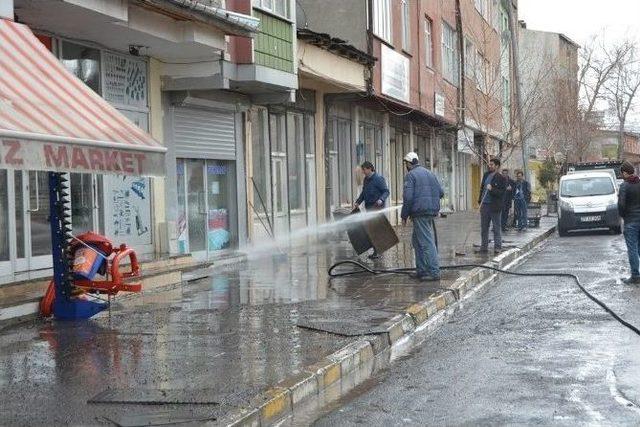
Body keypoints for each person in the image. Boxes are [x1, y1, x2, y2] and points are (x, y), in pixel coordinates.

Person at [400, 152, 444, 281]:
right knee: (417, 241)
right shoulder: (430, 173)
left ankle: (434, 272)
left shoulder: (410, 175)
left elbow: (408, 197)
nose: (406, 166)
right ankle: (422, 270)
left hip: (419, 212)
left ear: (409, 163)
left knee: (426, 242)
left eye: (406, 164)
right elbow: (441, 192)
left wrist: (404, 215)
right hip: (430, 210)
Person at [354, 161, 389, 259]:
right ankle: (376, 250)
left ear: (369, 169)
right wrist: (358, 202)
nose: (363, 172)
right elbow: (364, 193)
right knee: (371, 230)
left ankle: (378, 251)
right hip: (369, 208)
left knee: (376, 230)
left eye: (364, 170)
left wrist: (381, 199)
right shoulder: (366, 180)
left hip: (377, 208)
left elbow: (386, 191)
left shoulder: (379, 179)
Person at [477, 158, 507, 254]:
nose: (490, 166)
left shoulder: (501, 178)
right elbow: (482, 189)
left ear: (497, 166)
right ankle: (484, 247)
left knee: (496, 227)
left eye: (492, 165)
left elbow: (501, 193)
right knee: (484, 228)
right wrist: (480, 201)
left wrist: (492, 189)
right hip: (484, 205)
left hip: (494, 206)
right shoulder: (486, 175)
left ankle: (497, 247)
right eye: (489, 165)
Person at [618, 161, 640, 284]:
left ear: (625, 172)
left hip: (631, 221)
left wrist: (623, 216)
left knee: (632, 249)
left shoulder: (624, 186)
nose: (621, 175)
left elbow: (621, 205)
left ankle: (636, 276)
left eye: (622, 173)